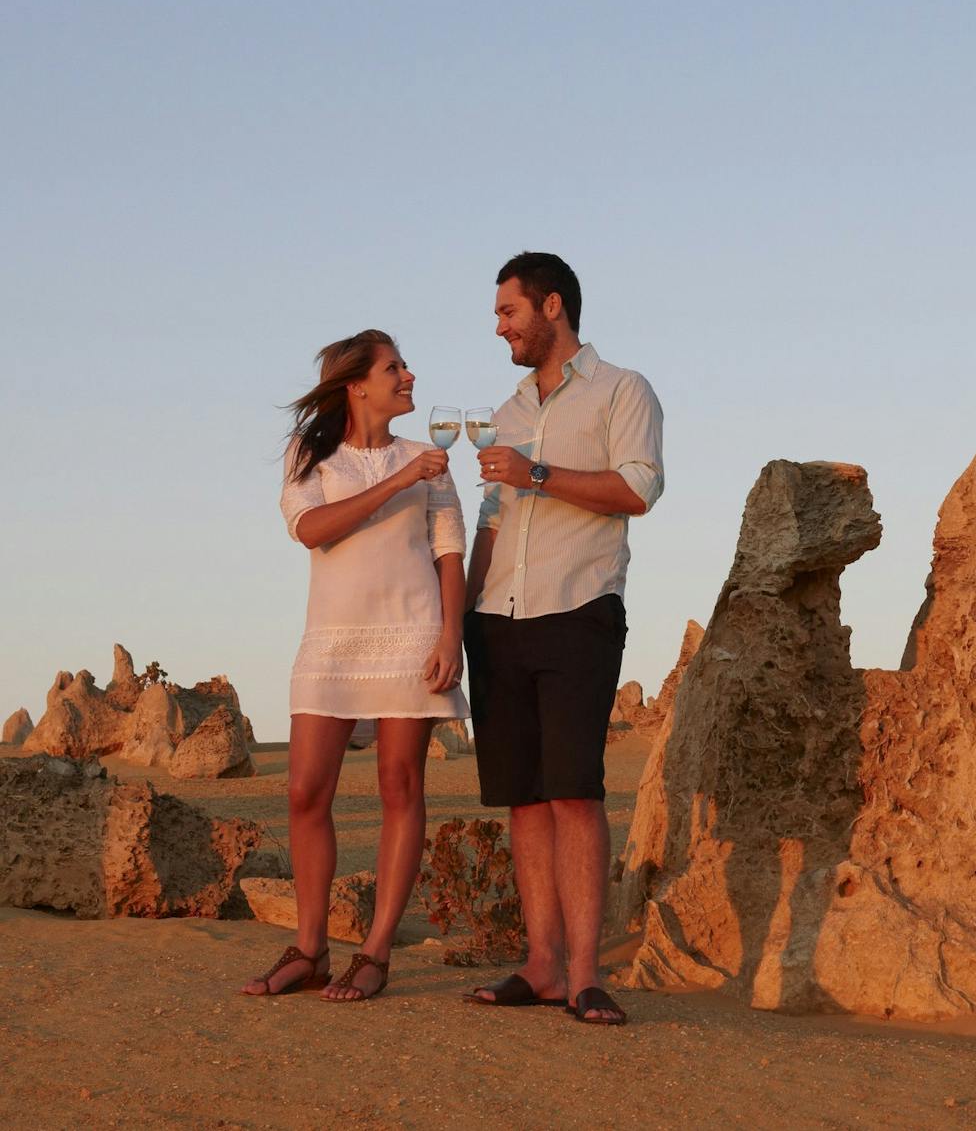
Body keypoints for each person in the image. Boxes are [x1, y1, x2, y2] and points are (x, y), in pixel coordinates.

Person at [463, 252, 663, 1024]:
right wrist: (462, 610)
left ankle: (584, 976)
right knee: (523, 799)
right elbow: (491, 515)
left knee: (575, 792)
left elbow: (637, 488)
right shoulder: (508, 408)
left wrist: (536, 473)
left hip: (579, 608)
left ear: (552, 306)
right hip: (498, 617)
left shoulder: (623, 390)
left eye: (509, 310)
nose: (500, 325)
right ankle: (540, 965)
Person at [241, 329, 469, 1002]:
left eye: (403, 365)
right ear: (357, 384)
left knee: (402, 785)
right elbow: (312, 530)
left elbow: (449, 550)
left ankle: (373, 953)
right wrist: (402, 479)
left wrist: (450, 637)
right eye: (394, 367)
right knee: (305, 790)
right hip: (333, 642)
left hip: (413, 634)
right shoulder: (311, 456)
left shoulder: (432, 459)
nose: (408, 375)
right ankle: (310, 948)